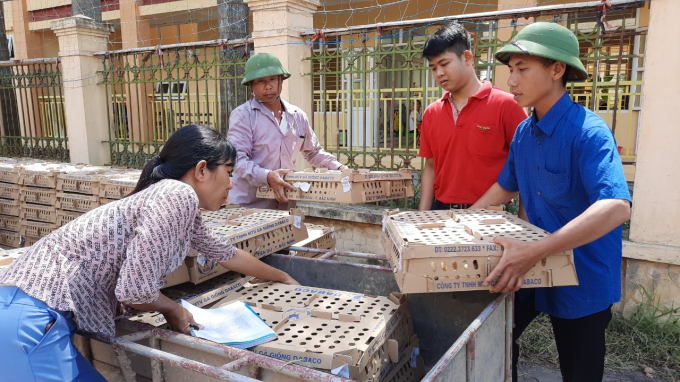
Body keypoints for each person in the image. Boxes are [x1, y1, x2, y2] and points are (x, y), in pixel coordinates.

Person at [0, 124, 299, 381]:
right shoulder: (176, 195)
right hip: (30, 319)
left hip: (28, 313)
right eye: (229, 172)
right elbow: (134, 291)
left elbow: (225, 253)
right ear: (201, 170)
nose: (232, 184)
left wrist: (281, 275)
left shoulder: (176, 203)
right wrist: (173, 309)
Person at [469, 22, 632, 382]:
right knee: (491, 338)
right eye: (510, 70)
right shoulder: (525, 133)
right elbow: (505, 187)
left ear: (557, 70)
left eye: (522, 69)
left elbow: (617, 206)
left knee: (579, 372)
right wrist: (462, 221)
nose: (511, 81)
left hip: (583, 278)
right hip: (532, 269)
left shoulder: (588, 132)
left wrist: (535, 250)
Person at [418, 22, 528, 211]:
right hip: (441, 214)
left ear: (467, 57)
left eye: (444, 64)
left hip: (491, 217)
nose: (439, 73)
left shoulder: (507, 105)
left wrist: (524, 225)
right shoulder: (432, 112)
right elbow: (430, 166)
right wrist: (422, 216)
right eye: (434, 68)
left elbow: (525, 170)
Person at [227, 53, 346, 210]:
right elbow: (237, 160)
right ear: (251, 86)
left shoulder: (297, 116)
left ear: (281, 81)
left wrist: (340, 168)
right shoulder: (243, 116)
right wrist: (268, 176)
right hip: (249, 207)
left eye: (272, 79)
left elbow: (314, 152)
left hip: (286, 203)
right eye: (260, 81)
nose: (268, 86)